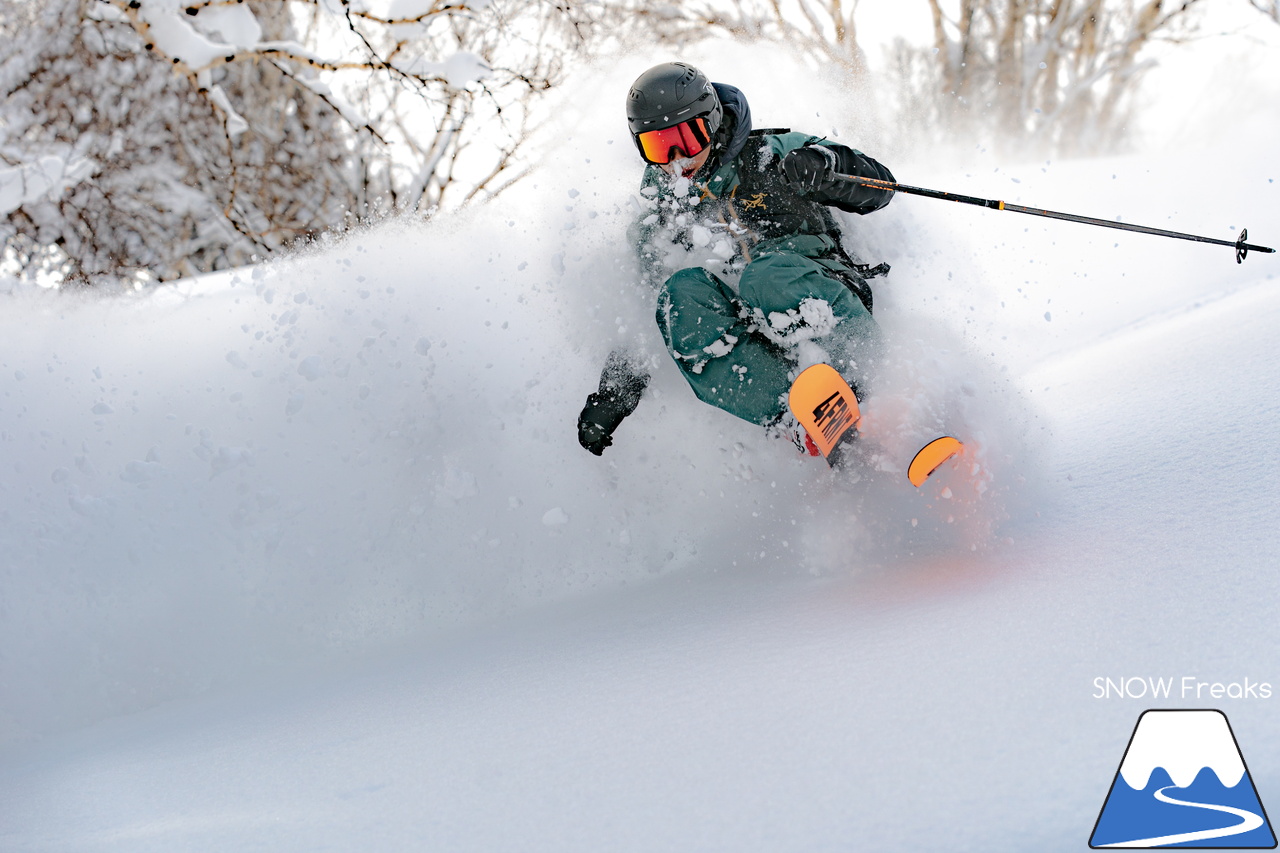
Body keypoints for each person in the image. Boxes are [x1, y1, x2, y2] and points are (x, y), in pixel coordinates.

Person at [577, 61, 896, 457]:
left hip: (821, 295)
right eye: (659, 147)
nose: (677, 160)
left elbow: (881, 186)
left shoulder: (770, 155)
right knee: (679, 295)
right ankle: (803, 419)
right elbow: (647, 312)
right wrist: (616, 390)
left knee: (764, 275)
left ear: (711, 122)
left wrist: (825, 168)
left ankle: (866, 382)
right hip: (752, 330)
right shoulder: (662, 218)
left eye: (686, 140)